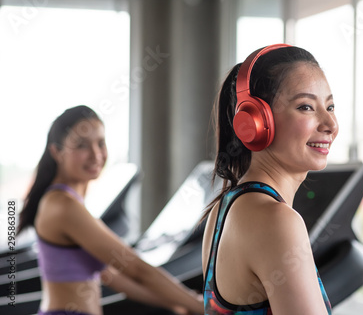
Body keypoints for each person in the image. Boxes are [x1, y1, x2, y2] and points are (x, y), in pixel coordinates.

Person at [18, 105, 204, 315]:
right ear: (57, 152)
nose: (96, 154)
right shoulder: (62, 206)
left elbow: (115, 279)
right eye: (81, 145)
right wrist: (203, 307)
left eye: (100, 143)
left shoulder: (70, 202)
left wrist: (179, 304)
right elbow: (137, 270)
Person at [201, 44, 338, 315]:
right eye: (306, 107)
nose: (330, 124)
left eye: (330, 106)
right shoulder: (276, 220)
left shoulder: (225, 207)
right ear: (256, 122)